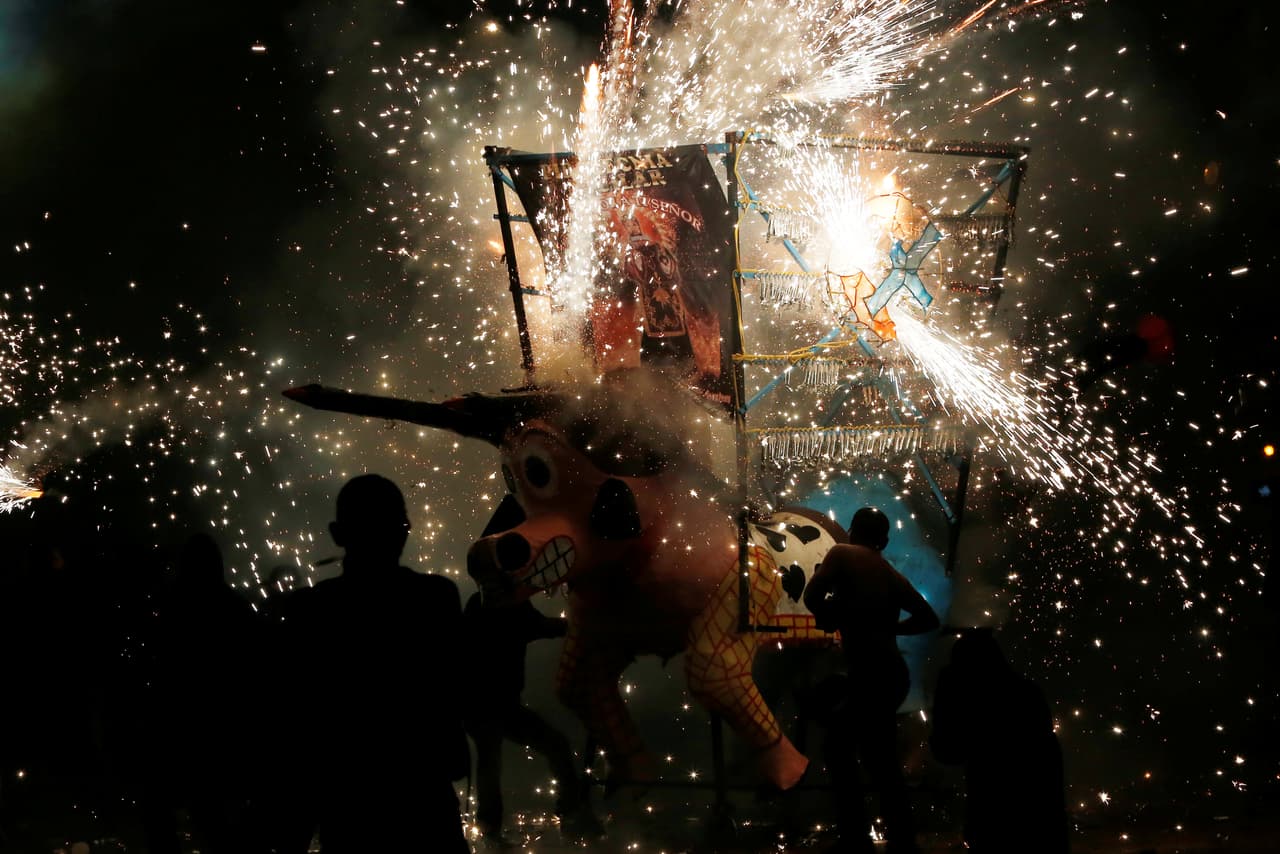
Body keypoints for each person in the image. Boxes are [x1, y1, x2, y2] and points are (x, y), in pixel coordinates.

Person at [273, 474, 469, 853]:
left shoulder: (309, 611)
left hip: (347, 803)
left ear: (338, 534)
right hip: (423, 798)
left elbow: (295, 721)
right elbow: (456, 691)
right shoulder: (435, 599)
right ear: (404, 532)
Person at [803, 506, 938, 854]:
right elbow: (927, 618)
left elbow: (812, 596)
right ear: (885, 540)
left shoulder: (842, 553)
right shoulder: (889, 571)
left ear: (851, 531)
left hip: (870, 673)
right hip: (892, 673)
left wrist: (831, 616)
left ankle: (855, 838)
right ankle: (901, 840)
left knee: (839, 750)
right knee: (880, 760)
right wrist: (889, 628)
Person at [462, 590, 599, 844]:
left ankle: (491, 830)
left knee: (491, 762)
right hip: (489, 705)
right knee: (502, 760)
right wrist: (582, 627)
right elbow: (540, 626)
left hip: (483, 705)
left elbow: (537, 625)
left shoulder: (479, 602)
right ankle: (569, 815)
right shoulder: (509, 605)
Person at [930, 630, 1069, 853]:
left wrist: (944, 693)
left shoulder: (980, 706)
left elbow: (946, 751)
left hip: (998, 823)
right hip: (1041, 825)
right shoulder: (1028, 693)